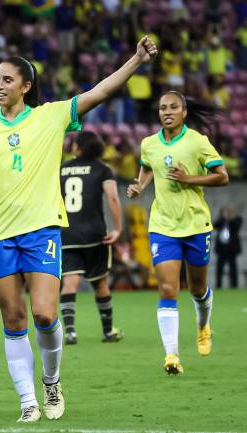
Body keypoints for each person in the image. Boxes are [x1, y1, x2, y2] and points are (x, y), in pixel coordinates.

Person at [0, 36, 158, 422]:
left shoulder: (51, 116)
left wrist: (135, 60)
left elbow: (99, 91)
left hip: (42, 229)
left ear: (25, 86)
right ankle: (28, 402)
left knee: (45, 315)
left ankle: (51, 381)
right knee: (13, 319)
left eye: (6, 80)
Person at [127, 90, 229, 374]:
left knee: (197, 288)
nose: (167, 112)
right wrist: (139, 186)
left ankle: (203, 325)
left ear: (184, 112)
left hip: (196, 225)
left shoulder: (197, 142)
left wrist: (189, 178)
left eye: (173, 107)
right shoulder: (149, 144)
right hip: (163, 226)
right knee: (168, 289)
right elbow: (148, 168)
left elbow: (222, 176)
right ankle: (171, 356)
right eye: (162, 108)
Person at [59, 131, 124, 345]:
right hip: (96, 235)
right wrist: (118, 228)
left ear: (77, 147)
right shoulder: (102, 169)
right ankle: (108, 331)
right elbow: (113, 197)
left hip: (66, 233)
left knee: (69, 283)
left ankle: (70, 332)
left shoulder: (61, 169)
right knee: (100, 283)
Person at [214, 205, 242, 289]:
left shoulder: (237, 219)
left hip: (232, 249)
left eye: (230, 212)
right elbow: (215, 225)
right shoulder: (221, 221)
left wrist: (231, 218)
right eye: (227, 211)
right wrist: (224, 218)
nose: (229, 213)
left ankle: (234, 285)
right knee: (219, 268)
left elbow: (236, 227)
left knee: (233, 268)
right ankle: (218, 286)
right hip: (221, 250)